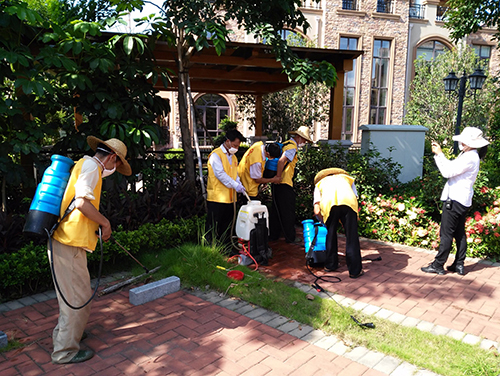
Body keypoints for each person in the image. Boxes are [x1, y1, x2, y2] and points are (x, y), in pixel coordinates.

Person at [49, 136, 132, 364]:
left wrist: (93, 226)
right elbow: (81, 203)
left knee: (72, 296)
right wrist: (105, 223)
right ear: (112, 157)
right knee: (78, 299)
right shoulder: (92, 167)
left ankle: (68, 333)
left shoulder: (84, 164)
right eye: (116, 164)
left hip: (67, 240)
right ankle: (65, 351)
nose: (114, 169)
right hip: (69, 244)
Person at [421, 127, 489, 276]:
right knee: (459, 233)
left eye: (465, 141)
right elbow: (452, 168)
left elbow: (447, 172)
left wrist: (439, 155)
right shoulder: (470, 155)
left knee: (446, 233)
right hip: (462, 200)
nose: (462, 143)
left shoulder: (469, 157)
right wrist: (440, 156)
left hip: (455, 200)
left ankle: (438, 264)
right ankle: (459, 264)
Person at [313, 168, 363, 278]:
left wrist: (324, 221)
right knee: (352, 236)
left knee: (330, 234)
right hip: (349, 203)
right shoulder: (347, 179)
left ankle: (330, 265)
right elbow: (354, 197)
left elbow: (316, 210)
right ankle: (355, 271)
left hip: (329, 205)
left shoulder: (320, 183)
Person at [269, 125, 313, 243]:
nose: (304, 142)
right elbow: (282, 161)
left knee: (276, 210)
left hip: (277, 183)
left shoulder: (285, 143)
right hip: (284, 182)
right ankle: (290, 237)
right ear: (298, 137)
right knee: (288, 211)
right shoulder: (292, 147)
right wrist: (279, 176)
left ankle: (274, 235)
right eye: (304, 139)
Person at [205, 129, 246, 250]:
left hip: (230, 198)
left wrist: (239, 184)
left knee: (227, 225)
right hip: (216, 197)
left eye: (238, 146)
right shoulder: (216, 155)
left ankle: (226, 248)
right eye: (234, 145)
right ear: (228, 141)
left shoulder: (233, 157)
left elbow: (235, 174)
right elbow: (220, 174)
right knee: (213, 225)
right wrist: (235, 185)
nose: (236, 148)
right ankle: (208, 249)